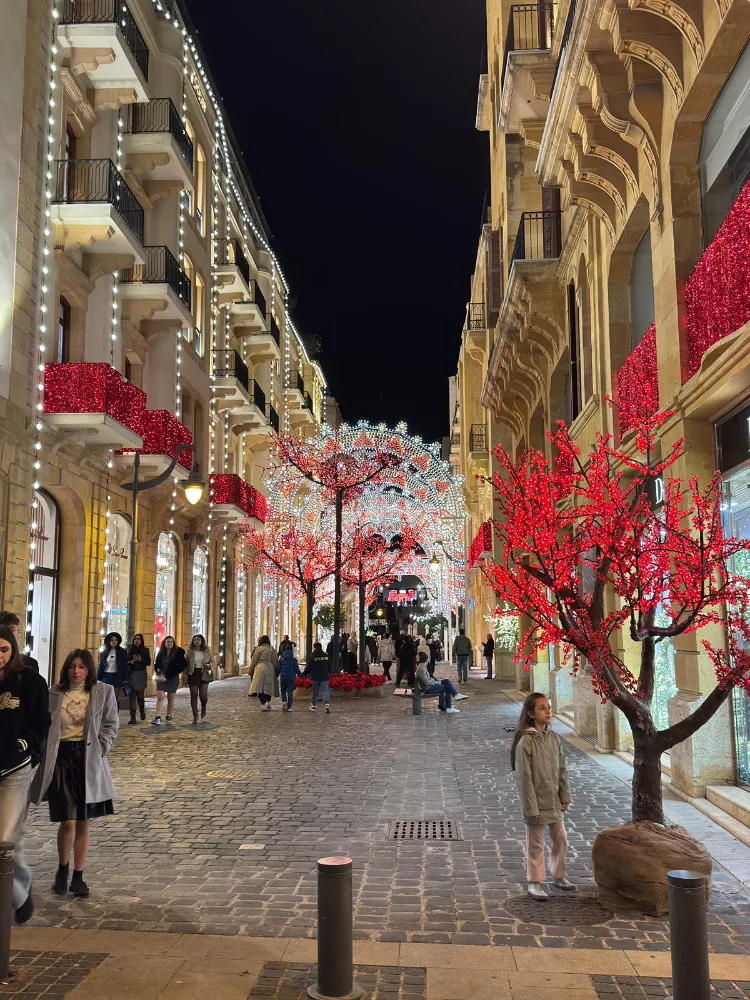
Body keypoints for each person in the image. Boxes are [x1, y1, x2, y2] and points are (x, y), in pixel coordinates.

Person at [30, 648, 118, 899]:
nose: (76, 672)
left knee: (82, 820)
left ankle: (78, 876)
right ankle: (62, 869)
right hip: (61, 759)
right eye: (72, 667)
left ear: (89, 669)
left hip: (88, 759)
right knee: (66, 820)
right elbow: (42, 724)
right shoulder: (54, 694)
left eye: (81, 667)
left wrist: (103, 746)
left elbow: (111, 724)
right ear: (66, 669)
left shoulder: (103, 692)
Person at [0, 626, 50, 924]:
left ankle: (17, 893)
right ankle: (17, 892)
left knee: (5, 839)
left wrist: (25, 744)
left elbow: (41, 721)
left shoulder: (28, 679)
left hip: (14, 769)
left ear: (13, 649)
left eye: (4, 649)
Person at [511, 692, 574, 901]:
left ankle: (559, 875)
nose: (548, 711)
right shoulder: (526, 742)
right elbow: (524, 778)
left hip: (553, 801)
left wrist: (565, 796)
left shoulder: (554, 738)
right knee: (536, 843)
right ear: (531, 714)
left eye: (548, 707)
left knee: (561, 838)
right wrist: (531, 807)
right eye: (542, 708)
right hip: (536, 803)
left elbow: (562, 769)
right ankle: (535, 881)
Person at [152, 636, 187, 726]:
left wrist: (171, 674)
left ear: (173, 643)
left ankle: (169, 717)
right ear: (164, 643)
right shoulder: (161, 652)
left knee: (170, 698)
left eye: (171, 642)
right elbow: (157, 664)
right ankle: (157, 717)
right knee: (160, 696)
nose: (169, 643)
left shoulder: (179, 652)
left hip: (172, 677)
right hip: (162, 677)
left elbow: (182, 665)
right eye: (167, 642)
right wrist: (158, 671)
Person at [185, 634, 215, 724]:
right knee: (194, 694)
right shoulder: (190, 651)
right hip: (193, 674)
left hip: (204, 673)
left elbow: (212, 661)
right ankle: (195, 715)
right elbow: (186, 664)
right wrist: (185, 677)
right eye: (195, 640)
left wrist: (209, 665)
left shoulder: (207, 651)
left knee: (203, 695)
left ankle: (203, 706)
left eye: (198, 640)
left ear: (201, 641)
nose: (196, 642)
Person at [97, 632, 129, 708]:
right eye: (112, 640)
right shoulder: (104, 652)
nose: (114, 642)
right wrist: (98, 677)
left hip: (117, 676)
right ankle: (106, 713)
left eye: (115, 640)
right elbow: (101, 665)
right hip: (106, 676)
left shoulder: (122, 652)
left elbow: (124, 665)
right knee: (105, 697)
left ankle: (115, 713)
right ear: (109, 641)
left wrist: (126, 678)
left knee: (115, 697)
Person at [126, 634, 150, 725]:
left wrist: (141, 660)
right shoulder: (130, 650)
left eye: (139, 639)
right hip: (132, 673)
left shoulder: (145, 650)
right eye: (135, 639)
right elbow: (126, 661)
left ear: (141, 640)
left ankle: (142, 710)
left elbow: (148, 662)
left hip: (141, 673)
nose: (137, 640)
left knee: (140, 695)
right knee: (132, 695)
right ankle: (132, 716)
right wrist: (130, 662)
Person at [249, 635, 277, 711]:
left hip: (259, 667)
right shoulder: (271, 649)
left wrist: (251, 671)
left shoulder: (257, 649)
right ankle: (268, 702)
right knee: (268, 686)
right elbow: (275, 661)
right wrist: (276, 670)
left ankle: (263, 703)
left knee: (260, 687)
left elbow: (254, 661)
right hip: (270, 667)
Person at [307, 641, 331, 713]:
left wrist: (305, 674)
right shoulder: (326, 656)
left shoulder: (313, 656)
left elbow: (310, 667)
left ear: (315, 648)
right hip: (324, 676)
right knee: (325, 691)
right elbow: (329, 666)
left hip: (316, 676)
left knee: (315, 691)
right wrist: (328, 672)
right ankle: (327, 705)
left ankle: (313, 706)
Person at [277, 645, 302, 712]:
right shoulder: (294, 660)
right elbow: (296, 669)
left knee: (283, 690)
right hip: (291, 677)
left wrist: (276, 674)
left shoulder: (281, 659)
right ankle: (289, 707)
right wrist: (301, 676)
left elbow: (278, 668)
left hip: (283, 677)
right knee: (290, 692)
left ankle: (284, 701)